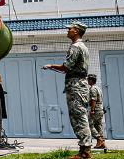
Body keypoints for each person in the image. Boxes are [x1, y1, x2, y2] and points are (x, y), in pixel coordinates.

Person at [42, 22, 92, 159]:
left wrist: (50, 66)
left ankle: (85, 152)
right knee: (80, 115)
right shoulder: (82, 46)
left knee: (79, 116)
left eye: (70, 29)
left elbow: (66, 67)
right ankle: (84, 150)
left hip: (76, 85)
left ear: (76, 31)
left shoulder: (75, 47)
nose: (68, 30)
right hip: (79, 84)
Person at [88, 74, 106, 149]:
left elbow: (93, 100)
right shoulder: (98, 88)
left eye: (88, 79)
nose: (87, 81)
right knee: (98, 126)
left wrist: (92, 110)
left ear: (91, 80)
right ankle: (102, 143)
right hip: (100, 109)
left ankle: (99, 139)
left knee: (90, 125)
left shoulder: (93, 89)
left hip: (96, 110)